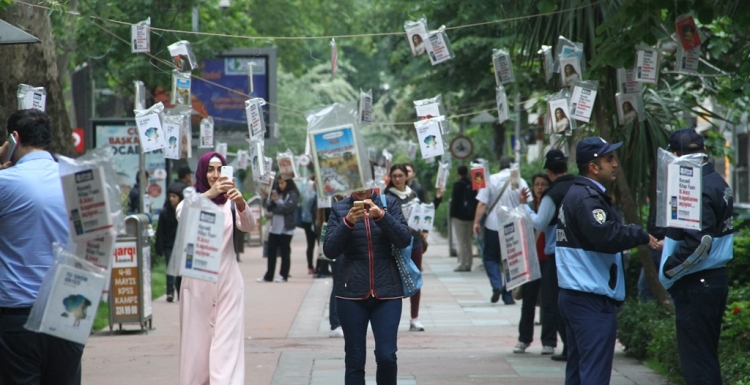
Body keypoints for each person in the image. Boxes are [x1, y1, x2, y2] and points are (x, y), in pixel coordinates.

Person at [556, 137, 658, 385]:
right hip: (589, 299)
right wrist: (640, 234)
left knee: (580, 371)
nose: (615, 164)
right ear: (593, 167)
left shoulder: (581, 194)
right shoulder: (586, 199)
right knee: (593, 374)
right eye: (609, 159)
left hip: (577, 295)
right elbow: (606, 235)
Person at [0, 110, 85, 385]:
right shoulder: (79, 180)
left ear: (14, 138)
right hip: (71, 308)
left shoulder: (6, 183)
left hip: (17, 314)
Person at [659, 129, 734, 385]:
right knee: (705, 356)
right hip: (712, 281)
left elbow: (699, 244)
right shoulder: (716, 180)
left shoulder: (694, 185)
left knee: (698, 362)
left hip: (696, 283)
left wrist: (669, 271)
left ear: (677, 155)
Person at [176, 151, 256, 385]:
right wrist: (210, 194)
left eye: (220, 169)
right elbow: (182, 214)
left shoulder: (230, 202)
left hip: (228, 284)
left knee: (225, 350)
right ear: (202, 172)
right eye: (210, 169)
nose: (215, 174)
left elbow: (248, 226)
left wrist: (241, 203)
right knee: (196, 351)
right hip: (197, 286)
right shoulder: (192, 199)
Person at [323, 186, 411, 385]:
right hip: (351, 293)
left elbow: (404, 239)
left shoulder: (389, 204)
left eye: (364, 183)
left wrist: (381, 216)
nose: (361, 189)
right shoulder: (339, 209)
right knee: (354, 358)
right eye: (355, 184)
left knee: (387, 356)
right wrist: (348, 222)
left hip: (387, 291)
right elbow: (329, 250)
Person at [518, 149, 575, 361]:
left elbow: (540, 223)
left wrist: (526, 208)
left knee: (554, 301)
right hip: (578, 253)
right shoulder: (580, 186)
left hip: (556, 255)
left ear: (549, 172)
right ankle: (572, 345)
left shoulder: (553, 194)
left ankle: (569, 346)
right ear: (567, 168)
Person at [473, 156, 530, 305]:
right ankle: (508, 295)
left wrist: (476, 222)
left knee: (490, 258)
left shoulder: (491, 179)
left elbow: (482, 204)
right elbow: (528, 202)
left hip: (493, 224)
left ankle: (497, 285)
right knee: (511, 260)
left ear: (499, 165)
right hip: (514, 225)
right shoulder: (520, 181)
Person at [512, 173, 556, 355]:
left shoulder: (552, 205)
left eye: (543, 184)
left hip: (547, 259)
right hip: (531, 259)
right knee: (528, 301)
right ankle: (524, 339)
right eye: (537, 184)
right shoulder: (528, 206)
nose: (540, 188)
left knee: (548, 302)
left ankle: (549, 342)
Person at [385, 164, 426, 331]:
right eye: (394, 176)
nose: (397, 179)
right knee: (392, 280)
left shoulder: (412, 194)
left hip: (414, 240)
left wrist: (423, 229)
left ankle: (414, 318)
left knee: (415, 277)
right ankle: (389, 319)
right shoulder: (386, 197)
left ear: (406, 176)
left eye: (400, 175)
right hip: (394, 243)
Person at [259, 177, 300, 282]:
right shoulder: (276, 193)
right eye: (279, 183)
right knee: (271, 252)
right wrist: (266, 197)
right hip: (275, 228)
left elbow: (288, 208)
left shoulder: (292, 194)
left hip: (286, 229)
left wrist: (277, 202)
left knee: (285, 252)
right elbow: (268, 207)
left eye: (283, 183)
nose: (281, 185)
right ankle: (269, 275)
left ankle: (283, 275)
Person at [155, 180, 187, 302]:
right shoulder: (164, 213)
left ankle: (179, 291)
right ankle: (169, 292)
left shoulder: (183, 212)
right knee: (170, 268)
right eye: (170, 196)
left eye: (174, 196)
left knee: (180, 270)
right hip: (169, 245)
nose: (172, 199)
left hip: (181, 245)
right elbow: (160, 231)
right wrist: (160, 247)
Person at [449, 165, 477, 272]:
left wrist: (452, 214)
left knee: (460, 241)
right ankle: (469, 263)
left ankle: (462, 263)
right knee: (468, 240)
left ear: (458, 173)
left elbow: (455, 202)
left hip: (459, 217)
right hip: (470, 216)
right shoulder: (471, 184)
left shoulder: (457, 184)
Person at [300, 175, 318, 276]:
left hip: (310, 221)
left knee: (316, 245)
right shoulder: (309, 194)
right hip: (309, 221)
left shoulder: (306, 193)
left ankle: (315, 266)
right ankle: (312, 266)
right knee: (312, 245)